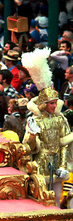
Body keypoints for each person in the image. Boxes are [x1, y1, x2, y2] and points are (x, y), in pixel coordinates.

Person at [22, 47, 72, 206]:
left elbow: (64, 143)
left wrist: (63, 165)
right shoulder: (34, 120)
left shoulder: (60, 119)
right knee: (41, 198)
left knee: (57, 198)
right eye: (50, 103)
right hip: (41, 161)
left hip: (57, 160)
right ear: (44, 104)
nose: (53, 106)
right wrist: (32, 136)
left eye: (54, 103)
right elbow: (29, 148)